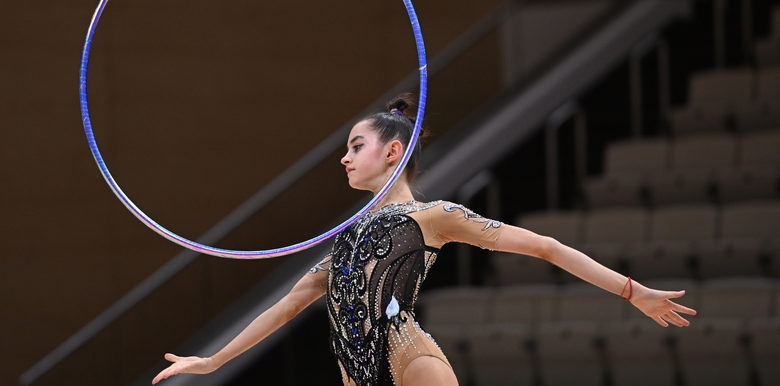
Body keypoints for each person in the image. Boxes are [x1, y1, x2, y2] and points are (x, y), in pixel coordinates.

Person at [152, 93, 697, 386]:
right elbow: (291, 303)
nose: (343, 156)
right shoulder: (346, 237)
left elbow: (545, 247)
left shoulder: (434, 215)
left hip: (410, 360)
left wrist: (632, 291)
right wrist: (213, 362)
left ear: (392, 152)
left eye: (355, 144)